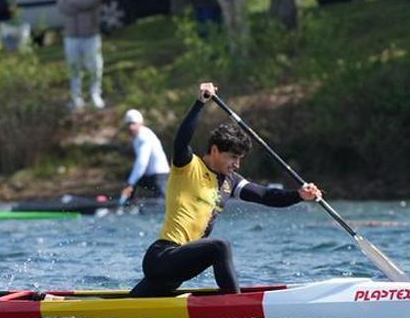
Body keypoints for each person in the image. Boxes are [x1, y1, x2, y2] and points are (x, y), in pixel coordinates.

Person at [129, 82, 322, 297]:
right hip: (163, 257)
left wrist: (299, 195)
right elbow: (182, 139)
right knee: (219, 247)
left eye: (240, 159)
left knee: (127, 309)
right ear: (214, 150)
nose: (237, 165)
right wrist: (199, 103)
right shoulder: (188, 166)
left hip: (177, 270)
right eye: (233, 157)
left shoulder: (230, 181)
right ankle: (237, 312)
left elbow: (265, 195)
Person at [57, 0, 104, 110]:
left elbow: (89, 2)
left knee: (94, 66)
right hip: (71, 36)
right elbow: (62, 6)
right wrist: (78, 4)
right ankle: (76, 97)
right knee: (74, 67)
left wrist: (75, 3)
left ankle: (95, 94)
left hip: (90, 35)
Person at [118, 109, 170, 205]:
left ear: (140, 123)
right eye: (128, 124)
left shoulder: (144, 137)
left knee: (163, 203)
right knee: (129, 176)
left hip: (160, 176)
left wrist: (130, 184)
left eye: (133, 124)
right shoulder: (137, 137)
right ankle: (128, 203)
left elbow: (141, 164)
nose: (131, 127)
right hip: (150, 176)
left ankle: (131, 204)